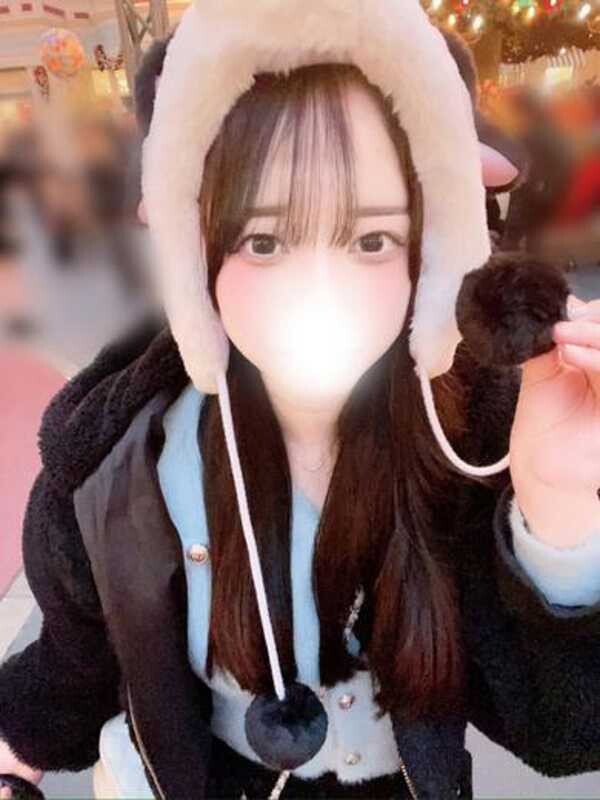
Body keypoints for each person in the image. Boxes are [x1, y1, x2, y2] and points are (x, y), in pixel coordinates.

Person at [2, 3, 600, 798]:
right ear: (195, 253)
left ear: (430, 255)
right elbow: (77, 666)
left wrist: (559, 518)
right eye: (264, 240)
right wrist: (16, 747)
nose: (320, 291)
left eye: (371, 240)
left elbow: (561, 732)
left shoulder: (474, 446)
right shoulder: (123, 465)